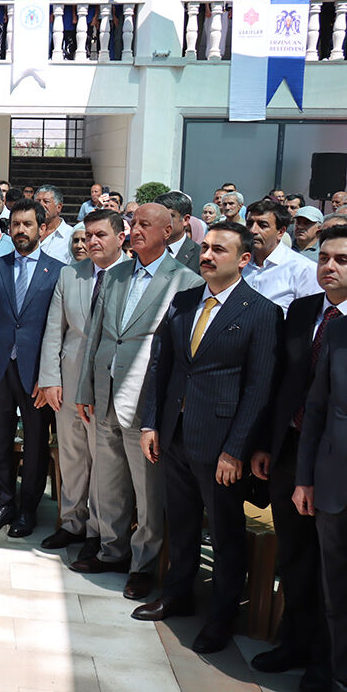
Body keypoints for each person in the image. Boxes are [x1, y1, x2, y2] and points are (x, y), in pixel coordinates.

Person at [133, 222, 282, 655]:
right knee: (180, 525)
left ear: (244, 260)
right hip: (175, 437)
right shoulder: (182, 302)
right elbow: (161, 366)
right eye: (206, 247)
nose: (208, 255)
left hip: (220, 446)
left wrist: (236, 449)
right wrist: (150, 423)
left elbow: (258, 389)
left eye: (220, 249)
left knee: (225, 534)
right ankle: (178, 595)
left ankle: (220, 617)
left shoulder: (261, 312)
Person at [72, 204, 203, 600]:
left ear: (169, 231)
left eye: (146, 225)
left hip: (145, 401)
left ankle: (144, 565)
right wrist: (83, 390)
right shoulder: (116, 275)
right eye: (134, 223)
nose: (137, 230)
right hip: (103, 391)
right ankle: (111, 550)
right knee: (108, 481)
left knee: (148, 493)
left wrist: (163, 410)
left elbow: (178, 353)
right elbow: (95, 335)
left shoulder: (184, 280)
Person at [249, 224, 347, 689]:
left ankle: (327, 662)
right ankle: (293, 640)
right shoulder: (305, 309)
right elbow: (281, 380)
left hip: (337, 464)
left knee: (335, 569)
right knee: (295, 556)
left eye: (342, 260)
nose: (329, 267)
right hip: (292, 449)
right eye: (324, 257)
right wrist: (268, 442)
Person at [35, 209, 128, 558]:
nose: (92, 241)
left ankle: (101, 533)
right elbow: (53, 332)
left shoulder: (130, 276)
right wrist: (50, 379)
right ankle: (72, 521)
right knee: (72, 457)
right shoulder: (70, 275)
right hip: (69, 382)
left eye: (100, 234)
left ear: (121, 237)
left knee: (105, 464)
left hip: (107, 388)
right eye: (88, 235)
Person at [0, 198, 65, 538]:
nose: (21, 231)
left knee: (35, 443)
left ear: (42, 228)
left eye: (27, 224)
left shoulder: (57, 271)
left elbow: (59, 328)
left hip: (37, 373)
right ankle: (4, 503)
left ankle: (28, 509)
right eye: (15, 225)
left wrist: (50, 375)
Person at [242, 198, 320, 315]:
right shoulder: (238, 263)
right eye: (249, 224)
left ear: (281, 232)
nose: (253, 230)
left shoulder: (304, 270)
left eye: (262, 225)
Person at [156, 190, 202, 273]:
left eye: (170, 216)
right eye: (158, 216)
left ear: (185, 220)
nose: (161, 221)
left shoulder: (199, 256)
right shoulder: (145, 250)